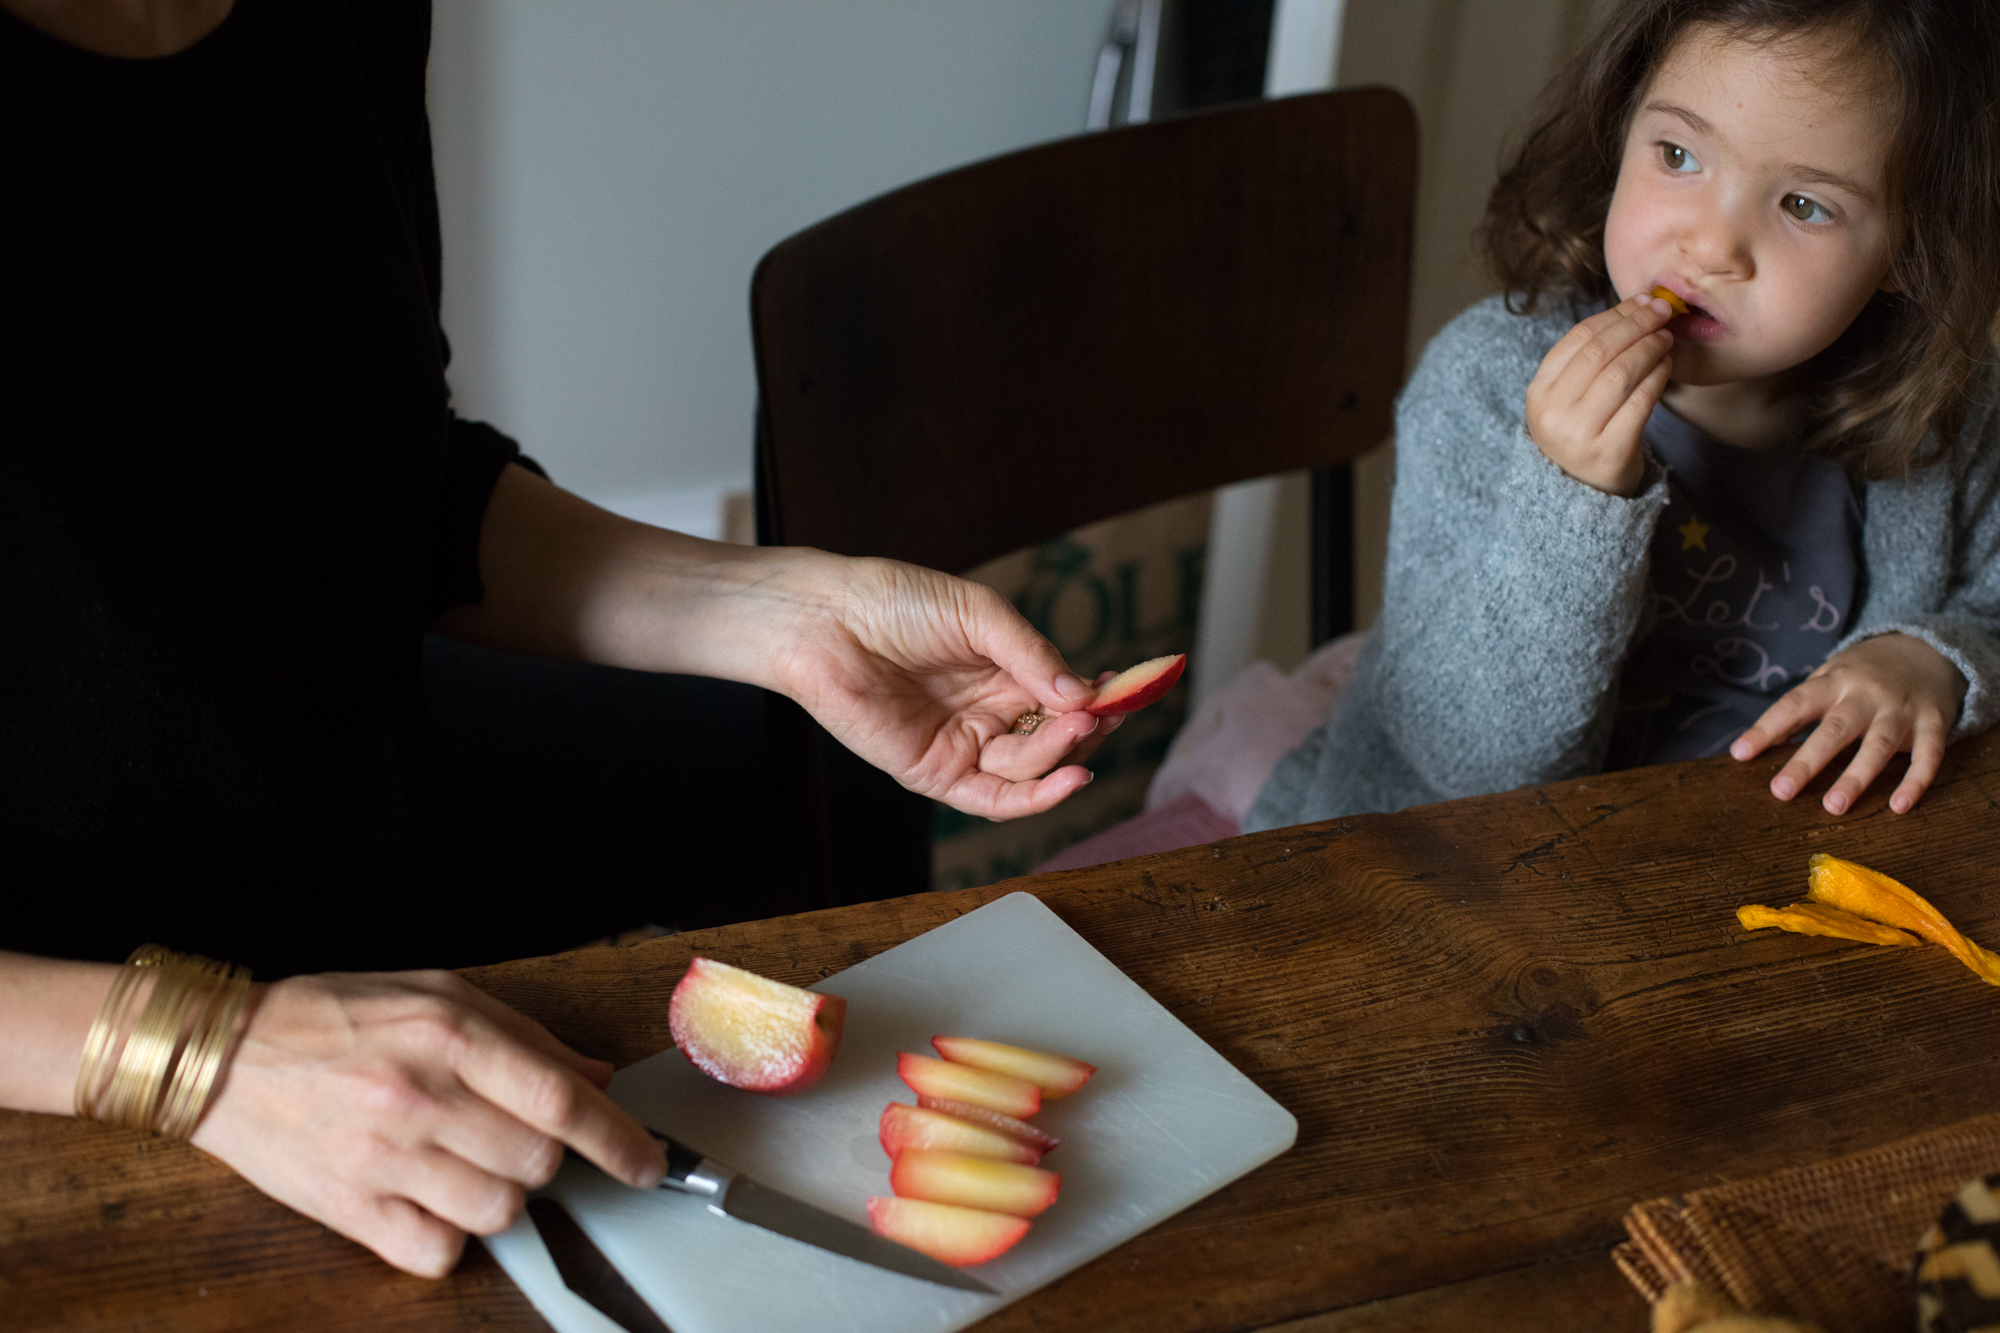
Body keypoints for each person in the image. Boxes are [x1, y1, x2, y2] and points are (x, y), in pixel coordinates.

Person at [0, 0, 1115, 1280]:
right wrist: (205, 1050)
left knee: (811, 763)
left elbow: (386, 486)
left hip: (325, 793)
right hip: (50, 1009)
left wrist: (794, 615)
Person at [1244, 0, 2000, 832]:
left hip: (1740, 875)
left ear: (1910, 248)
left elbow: (1988, 604)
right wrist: (1571, 496)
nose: (1711, 248)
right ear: (1619, 130)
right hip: (1460, 868)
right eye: (1678, 155)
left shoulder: (1949, 415)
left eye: (1803, 206)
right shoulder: (1486, 380)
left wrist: (1932, 657)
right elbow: (1467, 757)